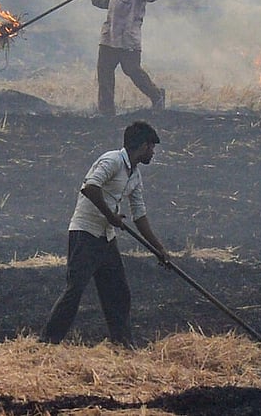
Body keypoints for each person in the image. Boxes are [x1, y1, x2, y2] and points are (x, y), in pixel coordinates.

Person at [41, 121, 170, 347]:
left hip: (106, 238)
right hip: (85, 233)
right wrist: (110, 216)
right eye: (151, 148)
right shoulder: (112, 160)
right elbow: (90, 187)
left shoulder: (135, 175)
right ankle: (47, 342)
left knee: (118, 292)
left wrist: (159, 249)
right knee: (75, 290)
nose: (153, 153)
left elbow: (139, 216)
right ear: (142, 146)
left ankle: (122, 344)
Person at [86, 0, 164, 115]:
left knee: (132, 70)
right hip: (109, 34)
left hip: (127, 36)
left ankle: (157, 95)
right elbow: (107, 2)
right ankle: (106, 111)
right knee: (104, 71)